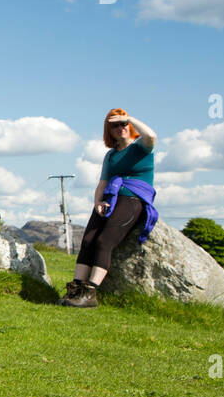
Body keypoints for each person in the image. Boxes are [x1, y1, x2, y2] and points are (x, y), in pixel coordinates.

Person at [60, 109, 158, 307]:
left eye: (123, 124)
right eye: (115, 125)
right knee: (88, 240)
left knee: (104, 241)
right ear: (109, 130)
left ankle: (90, 294)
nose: (120, 128)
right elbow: (103, 182)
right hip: (110, 200)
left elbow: (151, 135)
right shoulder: (111, 155)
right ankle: (76, 289)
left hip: (133, 199)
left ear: (129, 125)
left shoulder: (141, 147)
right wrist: (97, 202)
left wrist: (128, 118)